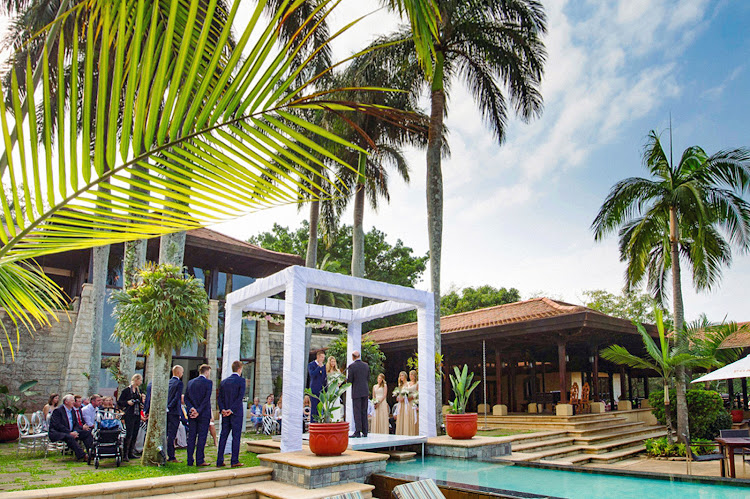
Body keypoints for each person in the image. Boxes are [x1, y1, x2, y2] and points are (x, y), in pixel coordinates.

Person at [217, 360, 246, 468]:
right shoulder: (241, 381)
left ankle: (219, 460)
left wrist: (223, 409)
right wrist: (231, 409)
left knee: (223, 436)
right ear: (240, 369)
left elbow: (219, 398)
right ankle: (234, 460)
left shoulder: (224, 382)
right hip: (236, 413)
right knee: (236, 436)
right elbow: (239, 397)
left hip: (225, 413)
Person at [48, 394, 93, 461]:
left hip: (71, 431)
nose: (74, 402)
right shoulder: (58, 411)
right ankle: (82, 455)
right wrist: (69, 432)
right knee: (70, 437)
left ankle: (92, 453)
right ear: (66, 402)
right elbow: (57, 425)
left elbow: (76, 424)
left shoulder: (72, 411)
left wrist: (75, 431)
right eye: (72, 401)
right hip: (59, 432)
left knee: (87, 433)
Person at [185, 364, 213, 466]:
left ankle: (189, 459)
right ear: (206, 372)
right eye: (209, 372)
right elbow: (206, 398)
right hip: (203, 413)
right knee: (202, 437)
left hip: (192, 414)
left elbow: (186, 398)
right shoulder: (208, 382)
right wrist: (198, 411)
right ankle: (200, 460)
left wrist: (191, 408)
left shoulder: (190, 382)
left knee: (191, 436)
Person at [118, 373, 143, 461]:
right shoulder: (126, 391)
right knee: (129, 433)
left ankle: (131, 452)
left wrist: (140, 404)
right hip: (129, 414)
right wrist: (127, 402)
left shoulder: (138, 391)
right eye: (140, 380)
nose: (140, 382)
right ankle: (125, 454)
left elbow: (139, 401)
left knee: (135, 433)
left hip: (137, 414)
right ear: (136, 380)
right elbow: (120, 402)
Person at [346, 350, 370, 438]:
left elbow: (350, 380)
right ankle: (365, 431)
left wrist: (345, 380)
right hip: (365, 390)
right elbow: (368, 378)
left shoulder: (352, 366)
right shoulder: (366, 365)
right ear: (359, 356)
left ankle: (358, 431)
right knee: (364, 411)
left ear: (353, 357)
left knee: (357, 412)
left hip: (356, 391)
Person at [166, 365, 184, 463]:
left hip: (167, 411)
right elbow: (177, 397)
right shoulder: (179, 383)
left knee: (167, 434)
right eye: (182, 372)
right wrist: (170, 407)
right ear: (178, 372)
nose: (182, 374)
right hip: (174, 411)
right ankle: (172, 456)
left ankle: (166, 453)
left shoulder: (168, 382)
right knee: (172, 435)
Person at [395, 371, 416, 436]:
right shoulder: (399, 385)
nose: (401, 377)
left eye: (402, 375)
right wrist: (398, 397)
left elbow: (408, 393)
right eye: (400, 376)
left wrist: (404, 398)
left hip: (406, 402)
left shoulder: (407, 384)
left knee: (406, 417)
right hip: (401, 403)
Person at [307, 350, 327, 415]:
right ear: (318, 357)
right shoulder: (311, 365)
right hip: (314, 388)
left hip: (321, 389)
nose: (323, 359)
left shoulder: (324, 366)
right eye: (322, 357)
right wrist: (318, 367)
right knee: (314, 407)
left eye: (324, 358)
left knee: (320, 407)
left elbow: (324, 377)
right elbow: (312, 374)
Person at [326, 356, 344, 421]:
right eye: (332, 361)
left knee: (336, 403)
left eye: (334, 361)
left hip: (336, 388)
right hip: (329, 388)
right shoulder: (327, 370)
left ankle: (336, 419)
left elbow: (341, 379)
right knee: (330, 404)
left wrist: (338, 384)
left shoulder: (337, 370)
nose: (333, 363)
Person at [407, 370, 419, 434]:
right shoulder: (408, 383)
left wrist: (412, 397)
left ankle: (414, 431)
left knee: (414, 416)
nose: (410, 376)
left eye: (412, 375)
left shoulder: (417, 383)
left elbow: (417, 393)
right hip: (408, 401)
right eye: (410, 375)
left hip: (413, 400)